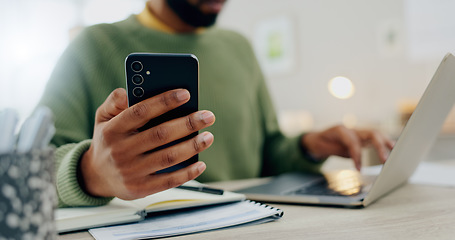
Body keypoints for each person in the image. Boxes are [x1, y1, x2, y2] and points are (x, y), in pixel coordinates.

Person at [38, 0, 394, 207]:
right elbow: (30, 169)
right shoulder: (92, 46)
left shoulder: (239, 47)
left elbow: (270, 150)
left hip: (244, 220)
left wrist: (308, 146)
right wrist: (90, 172)